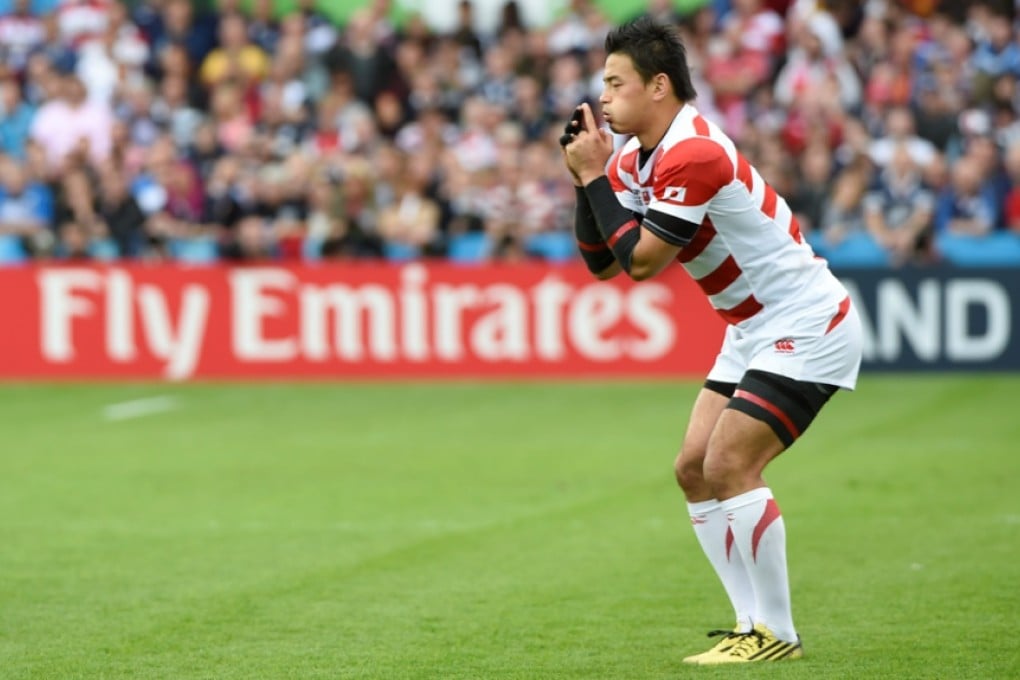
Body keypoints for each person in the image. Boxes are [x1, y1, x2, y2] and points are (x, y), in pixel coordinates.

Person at [561, 17, 862, 665]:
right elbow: (602, 263)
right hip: (751, 327)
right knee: (693, 470)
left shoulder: (694, 152)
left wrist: (592, 180)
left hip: (806, 320)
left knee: (729, 465)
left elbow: (641, 263)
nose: (604, 96)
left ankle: (777, 635)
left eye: (616, 83)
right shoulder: (632, 157)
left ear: (659, 86)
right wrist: (586, 179)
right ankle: (747, 623)